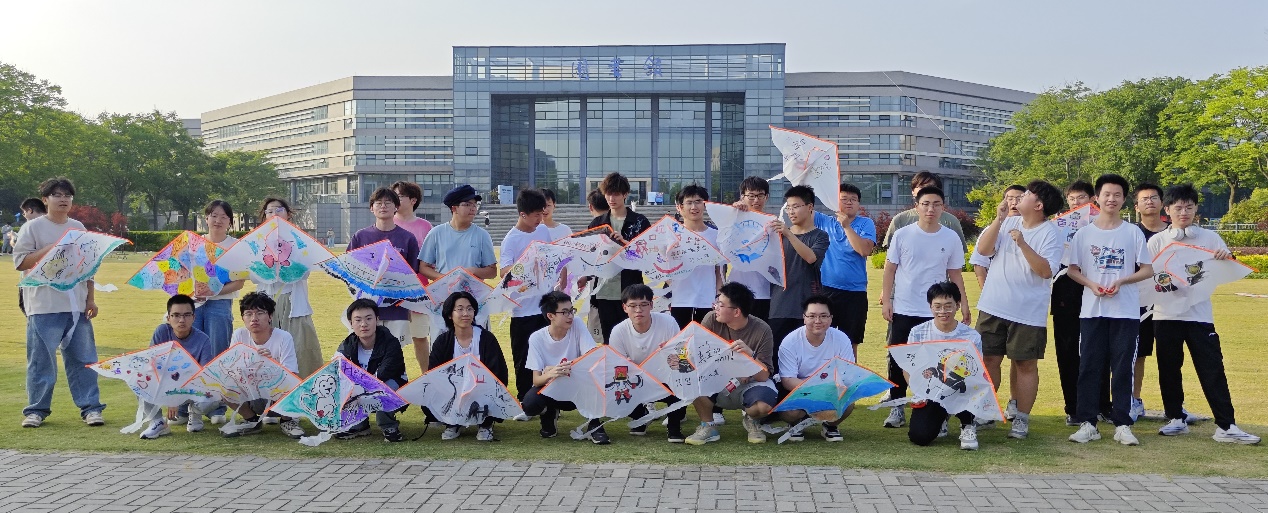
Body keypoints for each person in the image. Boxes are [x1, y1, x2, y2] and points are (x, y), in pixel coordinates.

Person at [1150, 184, 1259, 444]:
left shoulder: (1210, 238)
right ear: (1167, 210)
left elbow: (1226, 269)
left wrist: (1226, 257)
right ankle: (1175, 418)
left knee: (1212, 368)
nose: (1183, 212)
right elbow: (1149, 276)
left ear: (1196, 209)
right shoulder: (1157, 241)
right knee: (1169, 369)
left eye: (1189, 207)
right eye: (1178, 207)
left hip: (1199, 316)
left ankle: (1226, 425)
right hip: (1166, 315)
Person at [1065, 174, 1153, 446]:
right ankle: (1088, 423)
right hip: (1092, 311)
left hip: (1126, 311)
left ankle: (1123, 423)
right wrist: (1092, 284)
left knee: (1123, 367)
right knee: (1089, 366)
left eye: (1117, 195)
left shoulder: (1132, 232)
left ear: (1124, 199)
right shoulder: (1084, 233)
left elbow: (1147, 270)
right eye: (1106, 194)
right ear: (1097, 198)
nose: (1111, 199)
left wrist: (1122, 281)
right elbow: (1072, 270)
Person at [973, 180, 1064, 440]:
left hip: (1027, 312)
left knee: (1025, 364)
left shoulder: (1051, 233)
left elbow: (1046, 271)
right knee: (988, 360)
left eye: (1027, 194)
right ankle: (985, 411)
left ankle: (1021, 418)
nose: (1020, 197)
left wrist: (1023, 243)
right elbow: (983, 250)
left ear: (1039, 205)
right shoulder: (1008, 222)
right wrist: (998, 219)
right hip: (993, 305)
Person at [14, 177, 106, 429]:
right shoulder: (33, 228)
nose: (63, 199)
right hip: (43, 306)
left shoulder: (78, 227)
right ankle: (36, 410)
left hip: (76, 306)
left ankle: (91, 408)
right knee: (41, 361)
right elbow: (20, 262)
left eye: (67, 195)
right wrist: (53, 247)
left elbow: (87, 266)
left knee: (84, 359)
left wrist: (90, 298)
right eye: (57, 195)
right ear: (45, 200)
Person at [880, 186, 970, 429]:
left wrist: (963, 304)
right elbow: (890, 269)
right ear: (917, 206)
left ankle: (938, 410)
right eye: (926, 203)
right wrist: (887, 300)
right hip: (905, 307)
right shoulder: (903, 234)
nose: (931, 209)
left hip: (937, 311)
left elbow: (955, 274)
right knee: (899, 359)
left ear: (943, 207)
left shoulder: (950, 237)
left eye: (936, 204)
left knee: (938, 362)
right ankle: (897, 406)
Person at [690, 282, 777, 444]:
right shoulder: (711, 320)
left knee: (763, 406)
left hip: (749, 383)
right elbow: (699, 356)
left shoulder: (762, 329)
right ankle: (708, 425)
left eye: (721, 305)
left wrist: (750, 355)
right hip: (718, 378)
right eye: (717, 302)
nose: (715, 307)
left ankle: (752, 420)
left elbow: (764, 375)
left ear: (737, 311)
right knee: (690, 380)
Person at [184, 200, 246, 426]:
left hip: (220, 304)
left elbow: (239, 282)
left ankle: (216, 406)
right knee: (190, 354)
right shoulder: (193, 245)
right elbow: (182, 274)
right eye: (213, 215)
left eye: (223, 216)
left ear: (230, 221)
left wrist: (213, 290)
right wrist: (192, 292)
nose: (218, 220)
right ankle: (186, 406)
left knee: (218, 353)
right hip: (193, 305)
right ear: (206, 218)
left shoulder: (235, 246)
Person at [1052, 180, 1108, 426]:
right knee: (1067, 350)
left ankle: (1103, 405)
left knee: (1100, 349)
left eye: (1082, 198)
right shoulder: (1057, 224)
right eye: (1072, 199)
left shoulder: (1104, 222)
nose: (1077, 203)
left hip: (1098, 289)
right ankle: (1073, 407)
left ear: (1093, 198)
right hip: (1066, 291)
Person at [905, 282, 986, 450]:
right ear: (930, 306)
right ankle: (941, 417)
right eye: (938, 306)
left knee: (968, 385)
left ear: (958, 305)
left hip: (960, 388)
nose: (943, 311)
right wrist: (919, 390)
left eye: (948, 306)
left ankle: (968, 425)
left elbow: (978, 371)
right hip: (932, 390)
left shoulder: (971, 336)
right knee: (920, 436)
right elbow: (908, 367)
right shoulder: (918, 332)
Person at [253, 197, 322, 380]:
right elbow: (252, 275)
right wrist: (269, 268)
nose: (274, 214)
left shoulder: (299, 239)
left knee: (301, 347)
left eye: (279, 209)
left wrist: (285, 267)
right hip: (267, 300)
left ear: (288, 214)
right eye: (269, 211)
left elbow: (305, 272)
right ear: (264, 216)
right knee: (269, 347)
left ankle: (304, 387)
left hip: (294, 301)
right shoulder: (257, 241)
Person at [608, 284, 686, 443]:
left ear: (651, 305)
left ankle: (674, 425)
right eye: (633, 306)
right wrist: (626, 369)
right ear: (624, 307)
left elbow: (682, 354)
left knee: (684, 375)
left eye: (643, 304)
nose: (638, 310)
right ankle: (640, 416)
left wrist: (674, 357)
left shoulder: (668, 322)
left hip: (665, 376)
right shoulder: (618, 331)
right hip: (636, 379)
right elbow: (617, 368)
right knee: (614, 385)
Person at [521, 291, 603, 443]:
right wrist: (552, 373)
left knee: (596, 377)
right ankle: (549, 412)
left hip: (577, 384)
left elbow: (592, 357)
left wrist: (557, 367)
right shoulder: (537, 338)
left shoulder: (577, 324)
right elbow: (537, 380)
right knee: (530, 405)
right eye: (564, 312)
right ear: (550, 316)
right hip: (551, 386)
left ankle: (594, 424)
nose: (570, 316)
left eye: (571, 310)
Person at [428, 291, 510, 442]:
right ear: (450, 314)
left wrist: (475, 386)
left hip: (482, 388)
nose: (465, 313)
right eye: (460, 309)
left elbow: (499, 372)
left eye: (469, 309)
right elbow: (434, 373)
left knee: (488, 394)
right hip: (453, 390)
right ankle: (453, 423)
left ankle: (485, 425)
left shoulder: (486, 339)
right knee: (430, 397)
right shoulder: (442, 341)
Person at [220, 292, 303, 438]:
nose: (254, 318)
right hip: (252, 393)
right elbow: (231, 369)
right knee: (223, 386)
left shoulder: (283, 337)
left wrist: (272, 364)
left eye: (260, 313)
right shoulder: (239, 335)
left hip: (277, 394)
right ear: (243, 318)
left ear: (270, 316)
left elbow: (292, 375)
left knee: (295, 385)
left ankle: (287, 420)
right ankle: (251, 420)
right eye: (248, 314)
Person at [347, 188, 421, 351]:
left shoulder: (407, 238)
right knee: (364, 351)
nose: (383, 206)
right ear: (371, 208)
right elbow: (349, 270)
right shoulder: (360, 236)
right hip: (366, 308)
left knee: (393, 352)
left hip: (397, 308)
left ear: (396, 207)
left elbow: (413, 273)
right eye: (378, 203)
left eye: (388, 202)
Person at [499, 189, 555, 401]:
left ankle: (550, 400)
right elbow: (503, 272)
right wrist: (527, 265)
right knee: (524, 357)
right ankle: (525, 399)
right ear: (523, 214)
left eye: (542, 213)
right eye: (536, 215)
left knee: (548, 355)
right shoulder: (511, 239)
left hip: (545, 307)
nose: (541, 219)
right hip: (522, 310)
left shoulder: (543, 231)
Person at [777, 295, 856, 442]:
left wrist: (829, 389)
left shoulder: (841, 339)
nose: (818, 321)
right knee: (791, 412)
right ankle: (796, 423)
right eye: (812, 316)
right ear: (804, 318)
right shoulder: (790, 342)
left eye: (823, 316)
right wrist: (816, 389)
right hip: (799, 390)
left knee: (848, 403)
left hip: (829, 390)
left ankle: (830, 425)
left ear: (831, 318)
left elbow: (847, 373)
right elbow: (787, 380)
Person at [583, 173, 651, 341]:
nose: (611, 198)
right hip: (604, 291)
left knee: (634, 338)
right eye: (608, 194)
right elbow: (590, 256)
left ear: (625, 194)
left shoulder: (639, 222)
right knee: (610, 340)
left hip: (632, 291)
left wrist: (626, 245)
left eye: (616, 194)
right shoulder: (598, 224)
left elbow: (648, 256)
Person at [139, 295, 217, 439]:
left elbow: (202, 374)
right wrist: (170, 396)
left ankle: (195, 412)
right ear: (168, 318)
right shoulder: (162, 332)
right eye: (176, 315)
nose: (181, 320)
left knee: (216, 394)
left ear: (193, 317)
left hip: (193, 386)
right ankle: (157, 422)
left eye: (186, 315)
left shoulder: (203, 340)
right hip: (164, 384)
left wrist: (175, 397)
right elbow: (154, 366)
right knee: (142, 378)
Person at [814, 182, 877, 355]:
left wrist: (847, 226)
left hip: (854, 292)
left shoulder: (865, 223)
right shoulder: (824, 221)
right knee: (821, 339)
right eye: (844, 199)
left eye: (853, 199)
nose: (849, 202)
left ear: (859, 204)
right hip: (826, 290)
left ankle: (849, 373)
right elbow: (801, 206)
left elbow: (864, 250)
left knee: (850, 343)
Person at [334, 299, 409, 442]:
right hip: (361, 386)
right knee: (340, 387)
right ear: (351, 323)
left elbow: (384, 374)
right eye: (358, 320)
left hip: (391, 384)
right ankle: (358, 424)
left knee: (383, 388)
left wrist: (358, 387)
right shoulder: (347, 345)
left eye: (369, 318)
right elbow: (336, 370)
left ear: (377, 320)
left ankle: (388, 426)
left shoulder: (391, 343)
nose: (364, 324)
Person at [766, 185, 830, 351]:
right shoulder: (777, 236)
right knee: (777, 353)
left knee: (806, 353)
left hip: (807, 307)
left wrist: (788, 234)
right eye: (788, 207)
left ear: (809, 207)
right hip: (779, 306)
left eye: (795, 206)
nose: (791, 212)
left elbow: (810, 257)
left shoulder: (820, 236)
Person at [1130, 183, 1167, 421]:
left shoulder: (1174, 233)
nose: (1150, 202)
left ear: (1162, 203)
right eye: (1144, 199)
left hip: (1170, 303)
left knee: (1169, 355)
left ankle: (1175, 405)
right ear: (1136, 206)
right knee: (1138, 353)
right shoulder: (1131, 234)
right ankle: (1134, 400)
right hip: (1139, 303)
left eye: (1154, 197)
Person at [391, 180, 435, 372]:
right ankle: (393, 377)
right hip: (391, 292)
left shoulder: (425, 227)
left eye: (399, 196)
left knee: (420, 336)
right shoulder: (387, 223)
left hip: (419, 291)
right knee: (391, 337)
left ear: (413, 200)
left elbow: (432, 261)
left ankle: (427, 376)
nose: (394, 200)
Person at [668, 184, 724, 328]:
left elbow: (719, 272)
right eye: (689, 202)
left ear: (705, 205)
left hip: (708, 301)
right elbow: (663, 271)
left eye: (698, 201)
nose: (694, 207)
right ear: (680, 207)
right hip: (680, 301)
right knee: (682, 341)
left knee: (706, 339)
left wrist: (718, 297)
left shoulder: (716, 236)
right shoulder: (671, 237)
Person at [419, 184, 497, 283]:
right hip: (444, 291)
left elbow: (492, 271)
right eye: (467, 204)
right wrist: (445, 279)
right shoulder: (436, 233)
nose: (473, 208)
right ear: (454, 208)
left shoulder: (482, 235)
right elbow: (423, 267)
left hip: (473, 292)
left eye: (475, 204)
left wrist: (474, 271)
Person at [881, 171, 967, 253]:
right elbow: (891, 255)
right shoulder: (900, 220)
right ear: (913, 191)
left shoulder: (951, 221)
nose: (926, 190)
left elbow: (959, 254)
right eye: (921, 186)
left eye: (931, 187)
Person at [727, 176, 774, 321]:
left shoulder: (773, 223)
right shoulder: (734, 217)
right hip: (736, 289)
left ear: (766, 197)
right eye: (751, 196)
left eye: (760, 195)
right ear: (742, 196)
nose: (756, 200)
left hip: (763, 291)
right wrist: (733, 212)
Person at [969, 185, 1025, 288]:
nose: (1014, 202)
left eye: (1019, 199)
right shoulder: (994, 229)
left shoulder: (1037, 229)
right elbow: (980, 263)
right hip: (999, 289)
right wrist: (985, 291)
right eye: (1010, 199)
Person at [15, 198, 45, 317]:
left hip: (32, 279)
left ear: (30, 210)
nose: (24, 215)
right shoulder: (55, 224)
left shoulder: (29, 226)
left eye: (24, 212)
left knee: (31, 312)